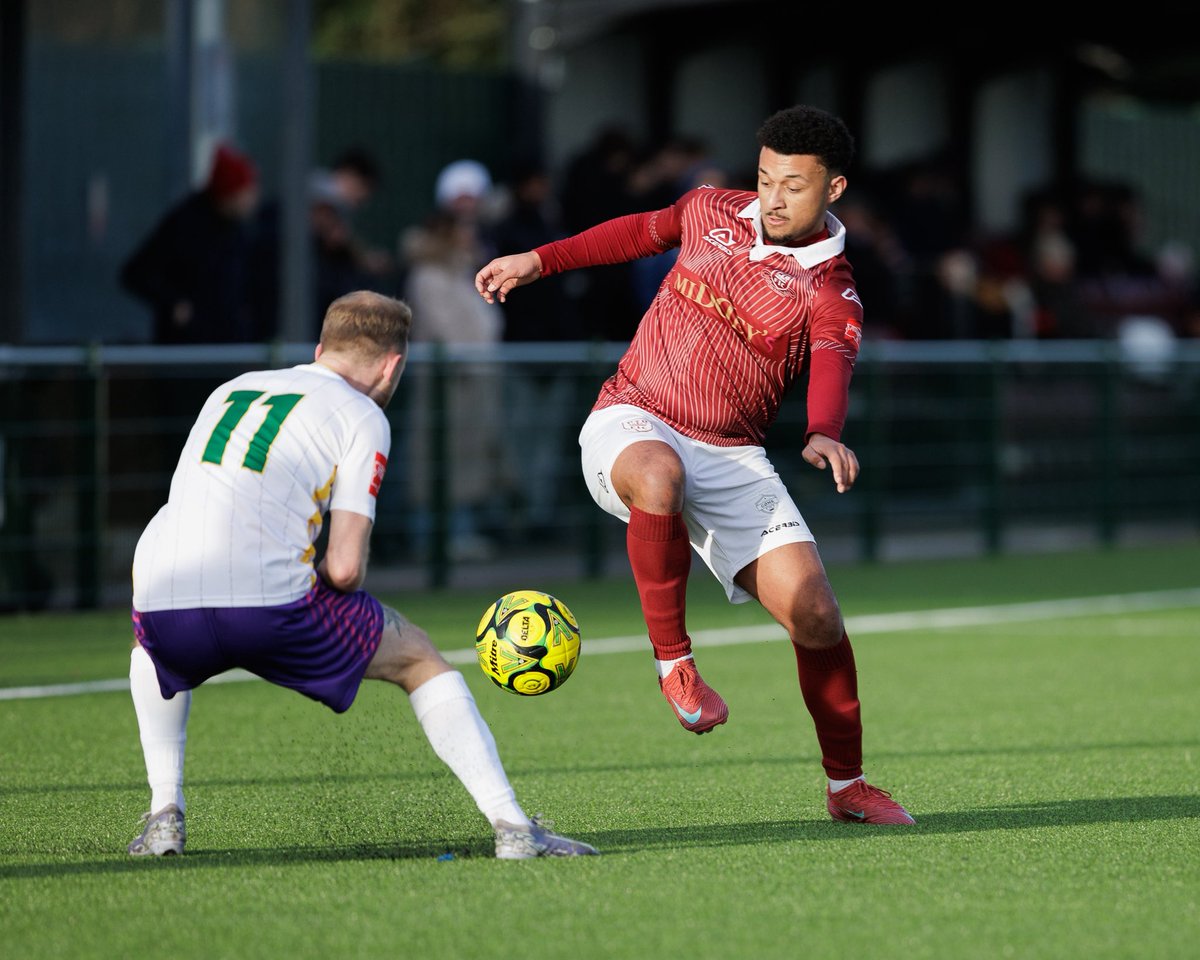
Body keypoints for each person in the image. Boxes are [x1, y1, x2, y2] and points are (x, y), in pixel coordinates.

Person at [475, 105, 915, 825]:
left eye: (793, 186)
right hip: (634, 414)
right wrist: (539, 260)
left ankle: (848, 788)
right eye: (766, 177)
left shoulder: (831, 291)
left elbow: (834, 363)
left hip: (733, 454)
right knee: (658, 477)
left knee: (817, 616)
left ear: (833, 190)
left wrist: (823, 430)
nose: (772, 197)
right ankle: (674, 662)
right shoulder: (711, 208)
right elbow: (633, 234)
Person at [125, 289, 597, 860]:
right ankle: (515, 829)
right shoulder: (362, 414)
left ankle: (164, 817)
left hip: (158, 590)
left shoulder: (234, 388)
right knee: (420, 657)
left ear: (322, 348)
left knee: (153, 651)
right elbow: (345, 569)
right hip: (269, 604)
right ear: (393, 365)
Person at [120, 142, 264, 343]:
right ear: (230, 194)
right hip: (189, 351)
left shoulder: (240, 230)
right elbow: (137, 273)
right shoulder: (186, 224)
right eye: (245, 192)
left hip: (229, 348)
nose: (252, 199)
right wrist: (175, 304)